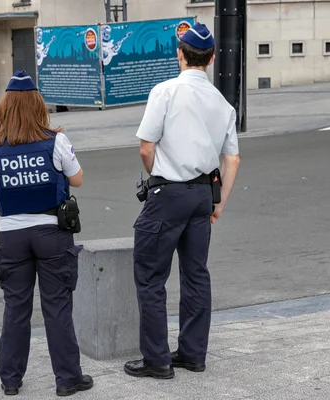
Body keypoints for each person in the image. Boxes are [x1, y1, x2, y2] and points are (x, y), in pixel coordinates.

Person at [124, 23, 241, 379]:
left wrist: (154, 170)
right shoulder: (223, 104)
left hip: (167, 193)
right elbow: (232, 159)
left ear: (180, 53)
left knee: (150, 276)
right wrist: (218, 204)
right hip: (203, 195)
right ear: (211, 58)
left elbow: (146, 146)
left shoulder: (166, 91)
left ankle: (157, 359)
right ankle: (192, 354)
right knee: (196, 276)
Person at [0, 70, 93, 397]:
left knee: (16, 308)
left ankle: (11, 380)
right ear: (38, 106)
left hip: (12, 236)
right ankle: (68, 379)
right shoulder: (56, 140)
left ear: (5, 108)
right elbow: (77, 179)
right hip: (51, 232)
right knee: (57, 307)